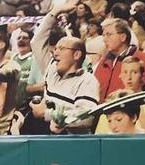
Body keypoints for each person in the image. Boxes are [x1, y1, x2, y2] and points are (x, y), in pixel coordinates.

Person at [28, 0, 99, 134]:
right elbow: (36, 41)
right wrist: (55, 11)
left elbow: (86, 118)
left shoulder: (87, 81)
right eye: (55, 48)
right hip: (49, 136)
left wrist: (47, 114)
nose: (55, 52)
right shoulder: (52, 69)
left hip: (72, 144)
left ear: (76, 54)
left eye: (61, 48)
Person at [94, 18, 145, 102]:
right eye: (103, 35)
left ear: (123, 37)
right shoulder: (103, 63)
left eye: (108, 34)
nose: (104, 39)